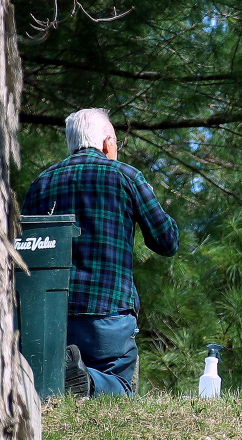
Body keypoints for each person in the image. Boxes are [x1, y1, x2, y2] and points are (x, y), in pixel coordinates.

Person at [22, 108, 179, 397]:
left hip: (53, 317)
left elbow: (25, 255)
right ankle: (89, 381)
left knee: (48, 386)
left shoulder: (40, 184)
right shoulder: (126, 176)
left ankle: (68, 376)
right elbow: (166, 241)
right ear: (108, 143)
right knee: (119, 386)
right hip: (108, 315)